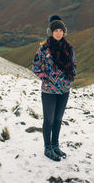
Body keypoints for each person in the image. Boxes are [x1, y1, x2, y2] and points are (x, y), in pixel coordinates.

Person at [32, 15, 77, 162]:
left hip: (64, 90)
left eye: (61, 30)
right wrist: (46, 77)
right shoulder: (44, 48)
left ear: (64, 32)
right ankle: (47, 148)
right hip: (49, 90)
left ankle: (55, 145)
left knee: (58, 119)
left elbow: (73, 64)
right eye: (55, 30)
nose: (58, 33)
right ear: (51, 32)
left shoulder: (68, 47)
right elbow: (36, 66)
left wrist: (71, 77)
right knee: (49, 120)